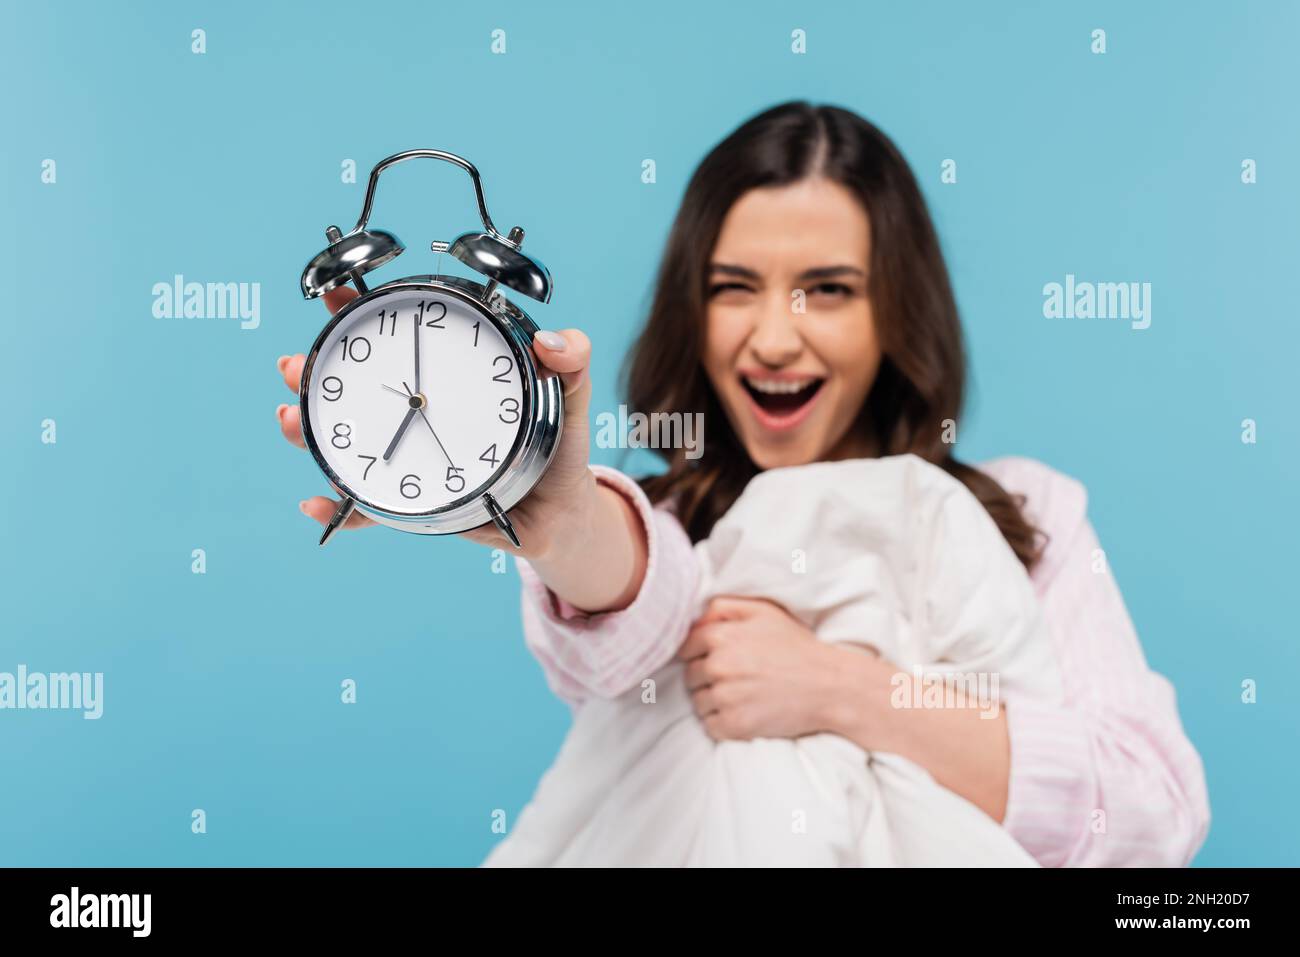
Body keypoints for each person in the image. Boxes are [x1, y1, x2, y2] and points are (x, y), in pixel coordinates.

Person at [276, 101, 1210, 867]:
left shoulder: (1022, 510)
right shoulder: (673, 525)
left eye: (828, 290)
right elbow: (628, 593)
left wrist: (844, 689)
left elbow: (1154, 811)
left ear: (898, 308)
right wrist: (560, 527)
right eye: (733, 287)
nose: (772, 338)